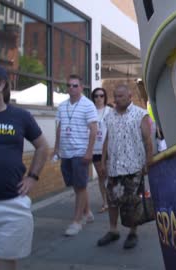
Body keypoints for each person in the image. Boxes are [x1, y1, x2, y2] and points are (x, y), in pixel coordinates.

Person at [0, 62, 49, 270]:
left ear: (0, 84)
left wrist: (33, 177)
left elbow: (43, 147)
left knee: (5, 262)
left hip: (11, 204)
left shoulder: (20, 116)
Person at [97, 85, 153, 249]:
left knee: (131, 202)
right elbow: (108, 139)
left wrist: (148, 162)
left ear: (130, 96)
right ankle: (113, 230)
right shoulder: (110, 116)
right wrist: (102, 161)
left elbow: (148, 141)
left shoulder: (140, 114)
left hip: (133, 167)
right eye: (115, 96)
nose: (117, 99)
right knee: (113, 200)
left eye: (120, 95)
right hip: (114, 167)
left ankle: (132, 232)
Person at [53, 74, 98, 236]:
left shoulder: (88, 105)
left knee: (80, 186)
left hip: (80, 151)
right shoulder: (62, 106)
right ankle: (87, 212)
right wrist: (56, 148)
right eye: (69, 85)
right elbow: (59, 127)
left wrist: (89, 152)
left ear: (81, 87)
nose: (71, 88)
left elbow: (94, 130)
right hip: (66, 151)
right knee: (76, 185)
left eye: (75, 85)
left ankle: (77, 221)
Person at [90, 87, 112, 213]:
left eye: (101, 95)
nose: (99, 98)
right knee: (101, 176)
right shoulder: (90, 111)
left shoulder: (110, 111)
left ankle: (112, 200)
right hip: (95, 149)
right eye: (96, 96)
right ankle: (105, 202)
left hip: (108, 148)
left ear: (105, 97)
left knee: (110, 175)